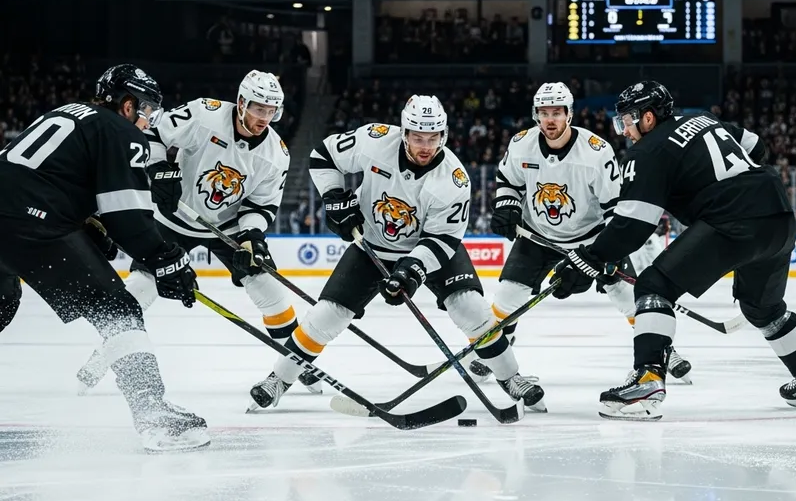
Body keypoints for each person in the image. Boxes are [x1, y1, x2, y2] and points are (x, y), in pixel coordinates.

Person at [247, 95, 545, 414]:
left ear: (443, 135)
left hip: (430, 248)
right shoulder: (374, 140)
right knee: (326, 315)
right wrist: (334, 198)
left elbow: (442, 240)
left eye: (433, 138)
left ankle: (511, 377)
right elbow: (323, 157)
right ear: (404, 133)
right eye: (418, 137)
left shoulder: (454, 179)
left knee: (471, 309)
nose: (425, 146)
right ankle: (279, 379)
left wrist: (411, 270)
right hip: (372, 245)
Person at [551, 80, 796, 419]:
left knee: (654, 286)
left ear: (648, 118)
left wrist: (588, 258)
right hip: (779, 213)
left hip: (732, 220)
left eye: (626, 121)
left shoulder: (648, 150)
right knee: (764, 309)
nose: (623, 131)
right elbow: (757, 148)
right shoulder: (704, 119)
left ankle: (648, 380)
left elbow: (633, 225)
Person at [0, 64, 209, 452]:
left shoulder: (68, 113)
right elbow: (127, 217)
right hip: (35, 224)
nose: (148, 121)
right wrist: (165, 257)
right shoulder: (120, 130)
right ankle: (152, 413)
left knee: (3, 300)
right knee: (118, 310)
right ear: (127, 105)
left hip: (13, 212)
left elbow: (49, 177)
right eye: (146, 110)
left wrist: (86, 223)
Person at [75, 70, 304, 394]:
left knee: (272, 293)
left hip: (227, 227)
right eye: (258, 109)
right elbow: (153, 133)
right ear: (241, 103)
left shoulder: (276, 154)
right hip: (172, 217)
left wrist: (252, 237)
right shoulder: (204, 114)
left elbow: (262, 205)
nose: (264, 118)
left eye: (271, 111)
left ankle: (295, 364)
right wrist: (157, 168)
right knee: (141, 288)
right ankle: (103, 356)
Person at [473, 81, 692, 384]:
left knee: (628, 296)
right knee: (508, 296)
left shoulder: (595, 152)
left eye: (557, 112)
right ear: (536, 115)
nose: (550, 119)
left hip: (590, 241)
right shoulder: (521, 143)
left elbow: (616, 206)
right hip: (538, 236)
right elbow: (507, 179)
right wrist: (507, 205)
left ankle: (663, 349)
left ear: (569, 114)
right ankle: (497, 350)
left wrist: (608, 252)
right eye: (544, 112)